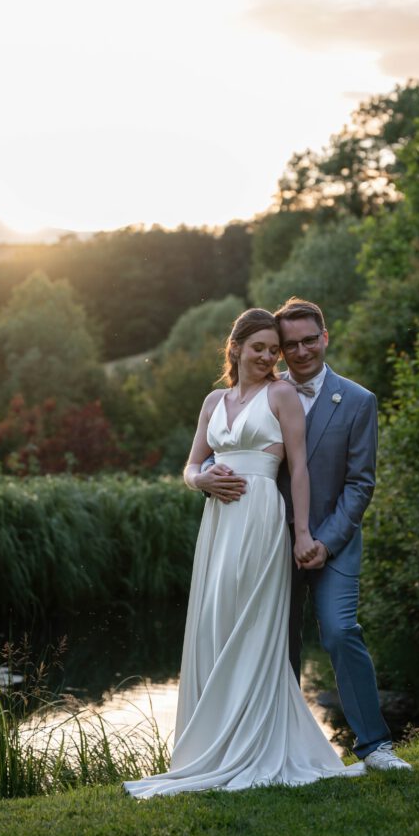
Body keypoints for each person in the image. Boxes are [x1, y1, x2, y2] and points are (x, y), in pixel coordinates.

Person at [124, 308, 366, 798]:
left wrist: (301, 534)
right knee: (215, 625)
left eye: (273, 350)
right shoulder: (213, 400)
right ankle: (213, 743)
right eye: (259, 348)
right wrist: (201, 479)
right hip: (217, 526)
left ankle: (256, 743)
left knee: (253, 629)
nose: (268, 357)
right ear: (233, 348)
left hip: (260, 522)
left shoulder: (283, 395)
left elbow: (299, 471)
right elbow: (191, 466)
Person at [204, 298, 411, 772]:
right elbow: (234, 454)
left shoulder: (358, 401)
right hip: (268, 543)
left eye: (307, 341)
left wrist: (323, 540)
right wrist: (209, 476)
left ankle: (375, 746)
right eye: (288, 344)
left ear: (325, 338)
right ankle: (275, 747)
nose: (299, 352)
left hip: (332, 543)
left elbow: (361, 483)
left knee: (340, 632)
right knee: (276, 641)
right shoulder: (260, 395)